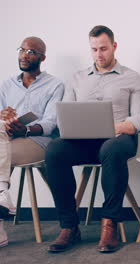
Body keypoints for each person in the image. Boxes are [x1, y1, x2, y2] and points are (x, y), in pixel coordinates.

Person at [45, 25, 140, 253]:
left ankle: (109, 223)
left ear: (114, 47)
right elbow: (64, 116)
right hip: (84, 142)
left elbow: (139, 118)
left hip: (119, 140)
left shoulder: (132, 77)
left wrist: (115, 127)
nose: (99, 55)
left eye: (103, 49)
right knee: (54, 150)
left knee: (111, 148)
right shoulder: (77, 78)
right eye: (94, 49)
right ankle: (69, 226)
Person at [0, 37, 64, 247]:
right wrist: (3, 118)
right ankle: (1, 195)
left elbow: (51, 123)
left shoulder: (55, 85)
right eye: (22, 49)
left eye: (31, 52)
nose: (25, 55)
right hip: (6, 138)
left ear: (42, 58)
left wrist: (25, 129)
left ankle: (2, 194)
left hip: (38, 142)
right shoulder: (6, 85)